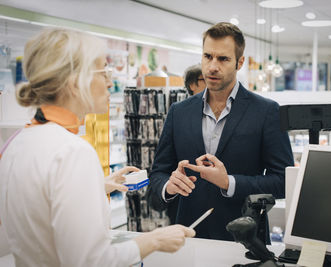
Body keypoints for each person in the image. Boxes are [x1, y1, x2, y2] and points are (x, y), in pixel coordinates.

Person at [0, 28, 194, 267]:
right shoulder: (73, 151)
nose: (110, 81)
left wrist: (92, 187)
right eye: (104, 71)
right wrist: (154, 240)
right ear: (75, 82)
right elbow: (91, 261)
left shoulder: (19, 141)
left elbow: (38, 209)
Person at [147, 22, 294, 242]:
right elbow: (158, 175)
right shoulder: (179, 112)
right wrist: (169, 185)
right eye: (208, 56)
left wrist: (229, 183)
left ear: (239, 62)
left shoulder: (266, 111)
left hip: (245, 240)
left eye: (223, 59)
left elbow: (283, 181)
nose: (212, 66)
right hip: (189, 237)